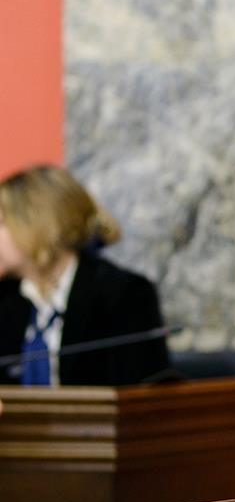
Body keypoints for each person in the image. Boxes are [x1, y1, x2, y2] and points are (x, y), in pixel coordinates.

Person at [0, 164, 171, 386]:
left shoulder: (125, 295)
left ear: (40, 224)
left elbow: (141, 394)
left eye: (1, 223)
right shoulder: (5, 299)